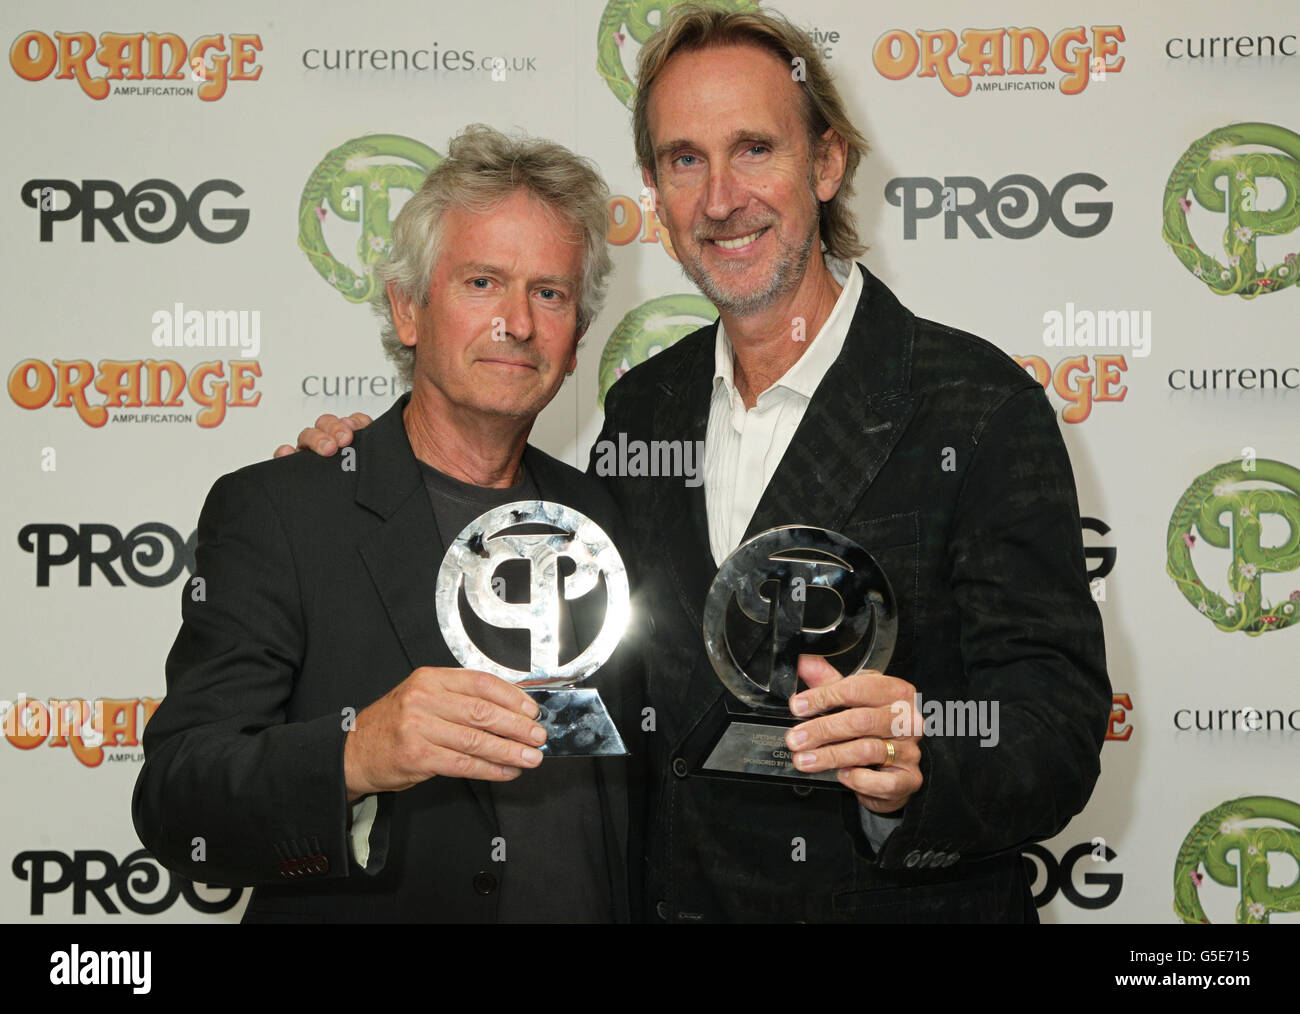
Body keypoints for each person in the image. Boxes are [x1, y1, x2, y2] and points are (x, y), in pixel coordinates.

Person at [289, 4, 1111, 922]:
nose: (721, 198)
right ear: (656, 188)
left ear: (828, 163)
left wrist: (917, 768)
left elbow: (1057, 730)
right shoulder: (645, 407)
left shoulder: (978, 405)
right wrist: (374, 464)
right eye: (685, 160)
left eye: (754, 148)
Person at [133, 125, 643, 923]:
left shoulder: (606, 519)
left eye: (550, 292)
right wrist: (355, 754)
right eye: (482, 282)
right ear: (408, 308)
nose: (517, 320)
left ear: (577, 340)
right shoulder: (282, 510)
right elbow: (177, 800)